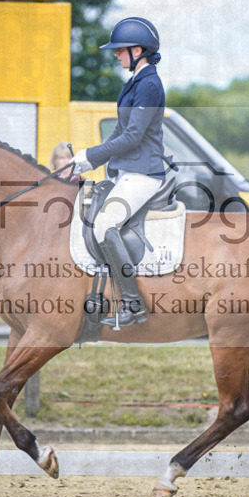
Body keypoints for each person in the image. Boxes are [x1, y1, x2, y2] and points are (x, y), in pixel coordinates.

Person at [72, 17, 167, 328]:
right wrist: (88, 161)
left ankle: (133, 303)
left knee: (104, 225)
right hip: (126, 172)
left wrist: (92, 155)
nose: (115, 55)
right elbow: (119, 134)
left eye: (119, 50)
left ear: (137, 50)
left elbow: (133, 137)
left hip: (143, 174)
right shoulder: (135, 83)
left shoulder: (150, 85)